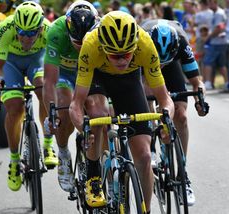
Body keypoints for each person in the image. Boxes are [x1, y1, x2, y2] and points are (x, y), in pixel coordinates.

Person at [69, 11, 175, 213]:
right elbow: (76, 103)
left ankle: (146, 210)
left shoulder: (144, 44)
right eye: (114, 55)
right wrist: (83, 129)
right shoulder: (90, 45)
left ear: (134, 46)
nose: (121, 60)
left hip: (128, 82)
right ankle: (93, 176)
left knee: (144, 157)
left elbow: (164, 99)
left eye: (127, 54)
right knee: (98, 115)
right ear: (103, 47)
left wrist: (166, 118)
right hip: (98, 77)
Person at [0, 1, 58, 191]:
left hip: (37, 60)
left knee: (44, 89)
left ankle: (47, 145)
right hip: (11, 64)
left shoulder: (49, 30)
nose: (26, 38)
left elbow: (56, 63)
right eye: (21, 33)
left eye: (31, 33)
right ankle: (14, 161)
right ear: (15, 28)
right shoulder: (5, 27)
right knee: (15, 108)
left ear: (40, 28)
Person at [141, 18, 209, 206]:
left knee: (181, 115)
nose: (160, 66)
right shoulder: (141, 42)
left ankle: (183, 174)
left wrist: (199, 100)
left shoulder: (181, 44)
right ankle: (152, 144)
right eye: (159, 62)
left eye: (165, 62)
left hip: (174, 64)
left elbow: (197, 82)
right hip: (146, 63)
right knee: (146, 96)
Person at [42, 1, 105, 193]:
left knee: (100, 114)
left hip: (90, 72)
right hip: (65, 74)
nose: (80, 47)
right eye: (76, 42)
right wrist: (52, 113)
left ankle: (100, 164)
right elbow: (49, 81)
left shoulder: (102, 29)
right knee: (64, 107)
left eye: (84, 42)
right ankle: (62, 153)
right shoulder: (56, 32)